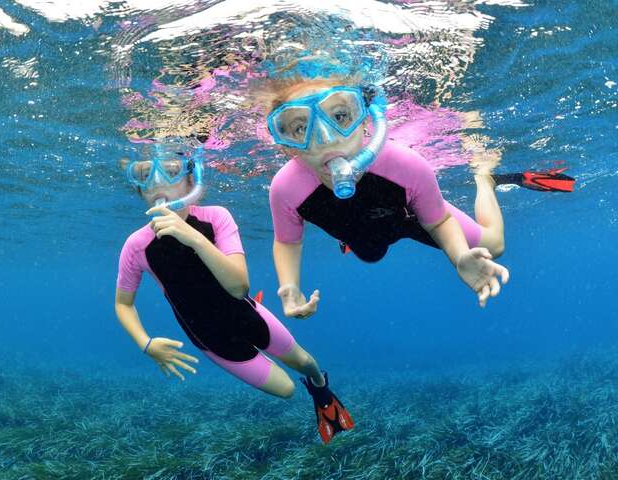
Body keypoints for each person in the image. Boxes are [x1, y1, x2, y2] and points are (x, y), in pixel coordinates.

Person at [263, 71, 572, 319]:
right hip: (360, 233)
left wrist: (459, 257)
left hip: (413, 215)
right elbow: (287, 241)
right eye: (301, 127)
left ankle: (484, 178)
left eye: (340, 117)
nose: (325, 139)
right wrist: (289, 285)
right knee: (370, 255)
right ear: (285, 143)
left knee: (495, 245)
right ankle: (355, 239)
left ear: (366, 119)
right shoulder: (285, 188)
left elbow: (438, 222)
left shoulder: (405, 165)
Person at [113, 141, 353, 443]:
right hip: (213, 340)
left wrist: (193, 238)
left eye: (171, 171)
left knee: (306, 363)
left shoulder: (216, 217)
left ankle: (321, 391)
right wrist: (145, 344)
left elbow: (239, 287)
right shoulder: (137, 246)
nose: (158, 182)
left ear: (192, 179)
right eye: (145, 174)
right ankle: (309, 390)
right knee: (287, 390)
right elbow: (124, 304)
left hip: (248, 313)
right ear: (139, 189)